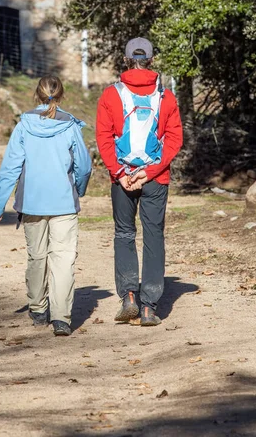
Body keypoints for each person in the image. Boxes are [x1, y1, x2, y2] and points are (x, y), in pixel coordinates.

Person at [0, 76, 92, 336]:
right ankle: (62, 319)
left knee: (37, 257)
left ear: (37, 95)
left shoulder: (24, 126)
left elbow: (11, 167)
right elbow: (84, 165)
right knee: (63, 259)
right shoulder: (70, 126)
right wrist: (79, 189)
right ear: (61, 95)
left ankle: (38, 309)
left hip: (32, 203)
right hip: (64, 204)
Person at [96, 38, 183, 326]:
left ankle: (129, 297)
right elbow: (174, 138)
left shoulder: (111, 94)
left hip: (122, 177)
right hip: (156, 177)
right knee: (153, 235)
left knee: (124, 233)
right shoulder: (166, 97)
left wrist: (120, 174)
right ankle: (149, 307)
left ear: (126, 59)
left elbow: (103, 137)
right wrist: (153, 171)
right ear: (152, 60)